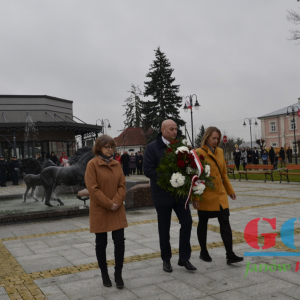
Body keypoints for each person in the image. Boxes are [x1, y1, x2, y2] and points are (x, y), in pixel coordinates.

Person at [144, 119, 197, 273]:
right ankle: (166, 259)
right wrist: (168, 179)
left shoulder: (181, 147)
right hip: (162, 194)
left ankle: (184, 258)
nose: (174, 131)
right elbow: (148, 170)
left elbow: (188, 166)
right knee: (164, 228)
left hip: (180, 194)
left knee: (187, 222)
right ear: (162, 130)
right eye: (171, 129)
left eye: (176, 129)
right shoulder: (152, 148)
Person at [193, 126, 243, 264]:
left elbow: (224, 175)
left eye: (217, 139)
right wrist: (195, 198)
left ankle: (230, 254)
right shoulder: (198, 152)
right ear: (207, 137)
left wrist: (230, 191)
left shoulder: (220, 152)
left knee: (225, 222)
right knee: (203, 223)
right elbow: (195, 177)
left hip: (220, 195)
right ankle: (203, 251)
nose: (216, 141)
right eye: (213, 138)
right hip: (205, 195)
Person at [85, 135, 127, 289]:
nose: (110, 150)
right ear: (99, 148)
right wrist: (109, 204)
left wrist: (116, 201)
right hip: (101, 209)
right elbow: (93, 189)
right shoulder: (92, 165)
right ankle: (104, 273)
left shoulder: (117, 164)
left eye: (111, 147)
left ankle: (118, 273)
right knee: (101, 243)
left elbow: (122, 185)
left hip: (117, 209)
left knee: (120, 241)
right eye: (107, 147)